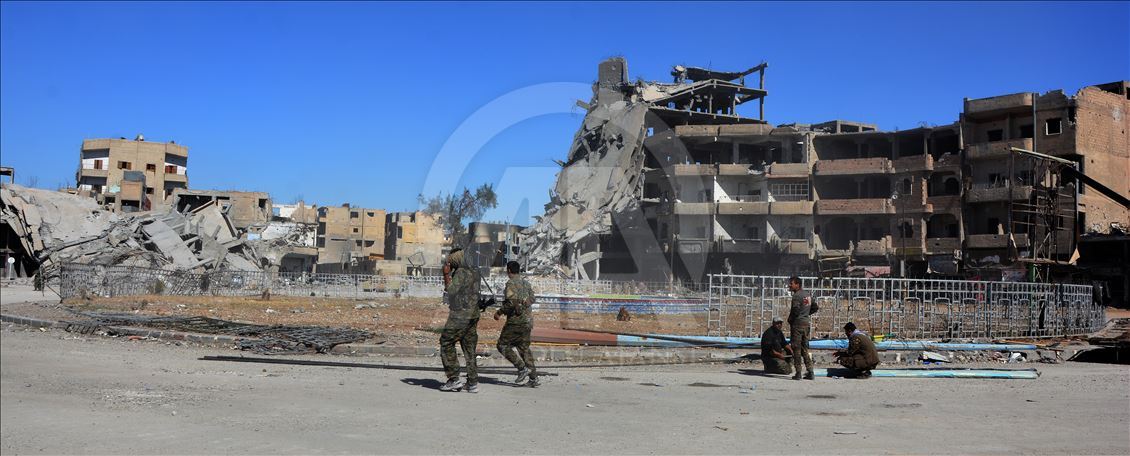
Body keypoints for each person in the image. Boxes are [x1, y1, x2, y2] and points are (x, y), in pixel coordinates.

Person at [438, 249, 482, 393]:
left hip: (460, 315)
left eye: (451, 260)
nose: (449, 263)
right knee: (469, 347)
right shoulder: (475, 271)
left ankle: (453, 379)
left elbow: (451, 290)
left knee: (446, 341)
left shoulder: (461, 272)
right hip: (473, 314)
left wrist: (446, 274)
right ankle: (472, 382)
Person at [494, 261, 539, 387]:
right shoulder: (525, 283)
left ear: (509, 270)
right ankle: (533, 378)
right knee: (523, 348)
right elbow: (533, 298)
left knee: (502, 345)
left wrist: (499, 312)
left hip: (515, 322)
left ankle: (521, 368)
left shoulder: (511, 283)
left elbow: (510, 303)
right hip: (527, 321)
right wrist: (524, 304)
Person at [786, 276, 818, 380]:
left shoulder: (796, 296)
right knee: (805, 348)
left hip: (797, 324)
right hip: (806, 324)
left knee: (796, 348)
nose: (790, 285)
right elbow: (815, 307)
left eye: (791, 283)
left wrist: (790, 319)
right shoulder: (807, 294)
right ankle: (810, 371)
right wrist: (806, 314)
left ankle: (798, 372)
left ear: (797, 284)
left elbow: (795, 310)